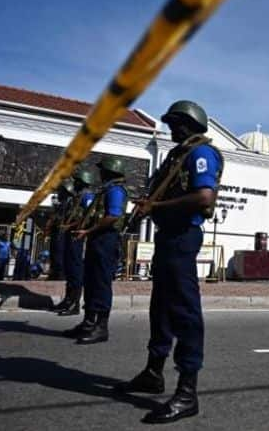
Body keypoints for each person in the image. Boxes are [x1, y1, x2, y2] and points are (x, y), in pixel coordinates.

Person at [114, 100, 223, 425]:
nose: (171, 129)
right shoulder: (179, 155)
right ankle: (153, 372)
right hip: (168, 236)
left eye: (174, 123)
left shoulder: (201, 153)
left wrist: (158, 204)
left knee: (184, 311)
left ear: (187, 123)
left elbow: (205, 197)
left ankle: (187, 392)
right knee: (160, 307)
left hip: (183, 236)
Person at [65, 157, 127, 345]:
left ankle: (101, 327)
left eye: (102, 171)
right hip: (97, 238)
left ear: (109, 172)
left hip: (106, 240)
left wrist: (88, 231)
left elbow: (113, 216)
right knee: (90, 281)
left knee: (100, 282)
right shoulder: (106, 190)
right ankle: (88, 322)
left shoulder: (115, 190)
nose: (99, 174)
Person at [52, 169, 96, 316]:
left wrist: (69, 226)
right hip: (69, 235)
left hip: (77, 236)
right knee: (69, 269)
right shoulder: (75, 197)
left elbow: (88, 217)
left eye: (77, 181)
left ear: (82, 182)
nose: (74, 183)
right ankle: (68, 300)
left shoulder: (87, 196)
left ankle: (75, 304)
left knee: (75, 269)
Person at [44, 180, 73, 281]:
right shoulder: (59, 204)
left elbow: (64, 218)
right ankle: (54, 272)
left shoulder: (68, 203)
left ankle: (60, 274)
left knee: (59, 254)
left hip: (62, 232)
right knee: (54, 252)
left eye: (61, 191)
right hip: (56, 231)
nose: (58, 193)